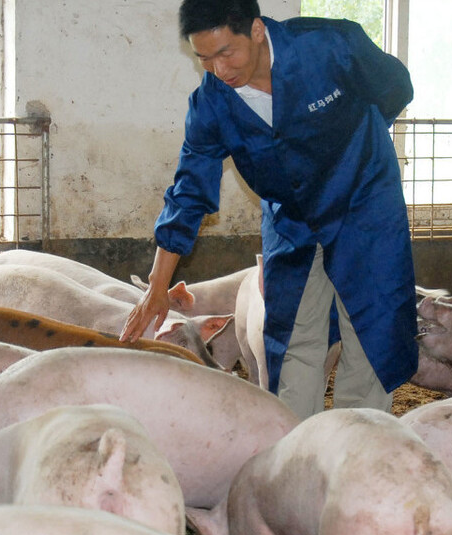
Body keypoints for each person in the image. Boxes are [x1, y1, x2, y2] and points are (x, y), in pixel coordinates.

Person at [120, 0, 418, 420]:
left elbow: (395, 87)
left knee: (371, 328)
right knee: (293, 334)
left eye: (226, 53)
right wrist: (156, 286)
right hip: (291, 217)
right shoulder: (211, 104)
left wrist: (357, 146)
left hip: (363, 203)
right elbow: (189, 191)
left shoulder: (330, 46)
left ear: (257, 30)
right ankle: (297, 449)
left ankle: (357, 445)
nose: (219, 69)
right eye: (204, 58)